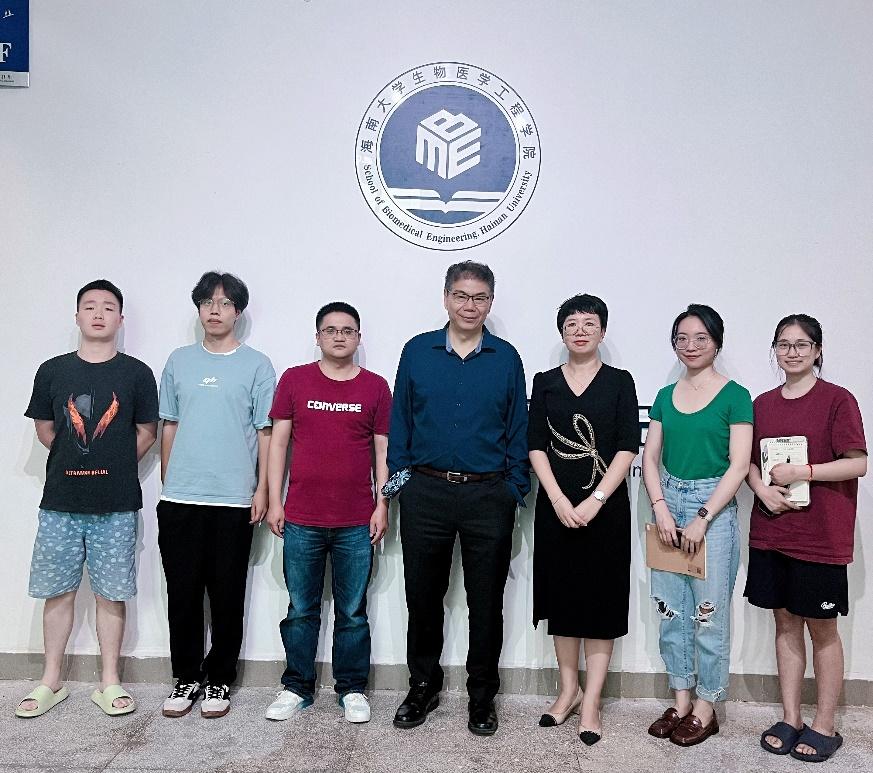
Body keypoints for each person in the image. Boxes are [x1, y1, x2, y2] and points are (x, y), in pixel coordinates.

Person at [388, 261, 529, 736]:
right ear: (446, 297)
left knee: (485, 602)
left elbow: (517, 427)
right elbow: (401, 420)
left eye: (480, 297)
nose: (471, 306)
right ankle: (422, 686)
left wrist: (513, 488)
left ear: (491, 302)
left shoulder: (506, 358)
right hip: (425, 492)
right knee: (422, 597)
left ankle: (482, 696)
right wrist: (402, 483)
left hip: (488, 495)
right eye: (462, 296)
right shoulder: (417, 350)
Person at [17, 280, 158, 718]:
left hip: (116, 503)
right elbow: (46, 429)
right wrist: (80, 456)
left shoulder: (137, 373)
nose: (99, 314)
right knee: (57, 592)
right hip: (60, 502)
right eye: (90, 306)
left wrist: (112, 461)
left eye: (108, 307)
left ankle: (109, 681)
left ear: (121, 319)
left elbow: (147, 432)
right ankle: (51, 681)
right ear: (76, 316)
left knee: (111, 595)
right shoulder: (52, 370)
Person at [744, 314, 866, 762]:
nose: (791, 352)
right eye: (783, 344)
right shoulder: (761, 404)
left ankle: (825, 725)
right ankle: (791, 717)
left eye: (801, 344)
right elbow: (747, 461)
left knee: (823, 629)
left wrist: (804, 472)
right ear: (774, 350)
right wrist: (761, 490)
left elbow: (858, 463)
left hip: (821, 536)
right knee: (784, 623)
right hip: (772, 532)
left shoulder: (838, 399)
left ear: (817, 350)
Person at [264, 302, 391, 724]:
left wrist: (382, 504)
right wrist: (276, 500)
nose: (339, 336)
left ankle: (352, 689)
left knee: (352, 612)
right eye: (331, 330)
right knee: (301, 609)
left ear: (358, 338)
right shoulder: (295, 380)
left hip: (357, 520)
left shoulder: (375, 387)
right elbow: (279, 443)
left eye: (348, 330)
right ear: (317, 336)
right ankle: (296, 687)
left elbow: (383, 452)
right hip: (302, 517)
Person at [157, 271, 275, 719]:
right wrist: (169, 482)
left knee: (227, 595)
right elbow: (170, 424)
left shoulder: (257, 365)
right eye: (207, 302)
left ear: (237, 312)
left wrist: (262, 488)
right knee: (182, 593)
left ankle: (220, 678)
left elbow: (265, 432)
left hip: (233, 499)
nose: (215, 310)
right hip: (181, 498)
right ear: (199, 309)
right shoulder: (179, 360)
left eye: (225, 303)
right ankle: (186, 676)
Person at [527, 294, 639, 745]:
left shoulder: (620, 382)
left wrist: (596, 499)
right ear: (561, 332)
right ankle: (568, 691)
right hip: (555, 507)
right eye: (571, 323)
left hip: (605, 510)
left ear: (602, 331)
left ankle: (592, 701)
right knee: (563, 601)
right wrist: (557, 498)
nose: (580, 330)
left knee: (600, 602)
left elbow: (627, 446)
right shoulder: (545, 382)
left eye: (589, 323)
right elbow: (536, 446)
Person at [642, 303, 752, 747]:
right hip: (668, 502)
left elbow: (739, 465)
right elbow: (650, 457)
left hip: (714, 509)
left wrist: (703, 517)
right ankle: (681, 700)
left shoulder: (735, 396)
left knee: (708, 613)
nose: (690, 346)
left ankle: (707, 707)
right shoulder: (665, 396)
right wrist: (661, 508)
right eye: (682, 338)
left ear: (716, 343)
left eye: (700, 338)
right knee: (670, 610)